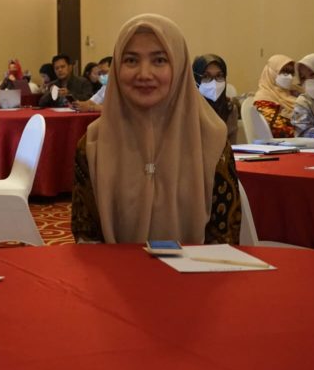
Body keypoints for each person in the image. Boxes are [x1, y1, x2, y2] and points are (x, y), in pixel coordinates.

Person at [71, 14, 240, 245]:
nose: (144, 74)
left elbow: (224, 241)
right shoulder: (93, 145)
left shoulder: (211, 141)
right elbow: (86, 239)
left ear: (179, 66)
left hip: (197, 277)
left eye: (159, 60)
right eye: (131, 60)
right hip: (115, 277)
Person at [192, 54, 239, 144]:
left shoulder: (230, 109)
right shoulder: (187, 110)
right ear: (195, 79)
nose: (214, 83)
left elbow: (231, 148)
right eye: (206, 76)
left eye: (219, 76)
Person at [252, 54, 300, 138]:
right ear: (272, 73)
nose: (289, 77)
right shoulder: (263, 99)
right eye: (284, 72)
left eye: (291, 73)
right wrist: (307, 132)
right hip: (279, 146)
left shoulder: (294, 94)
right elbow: (278, 130)